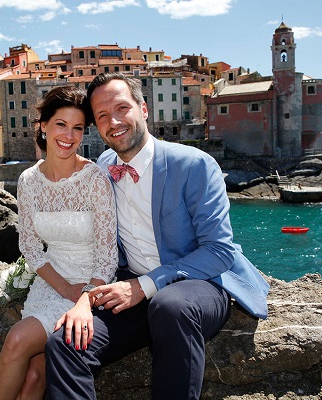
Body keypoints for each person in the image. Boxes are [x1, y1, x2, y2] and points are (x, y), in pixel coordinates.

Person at [45, 73, 270, 399]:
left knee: (169, 307)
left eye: (122, 108)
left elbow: (219, 251)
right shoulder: (105, 166)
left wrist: (143, 286)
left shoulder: (194, 165)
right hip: (131, 289)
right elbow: (99, 244)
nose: (114, 121)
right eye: (103, 116)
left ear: (144, 108)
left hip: (199, 286)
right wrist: (84, 300)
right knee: (65, 342)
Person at [0, 86, 118, 400]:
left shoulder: (95, 179)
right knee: (32, 374)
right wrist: (63, 288)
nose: (69, 135)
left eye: (77, 128)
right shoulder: (28, 181)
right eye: (61, 124)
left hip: (92, 286)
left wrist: (83, 297)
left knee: (21, 349)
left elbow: (107, 256)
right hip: (51, 282)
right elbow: (30, 247)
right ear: (43, 126)